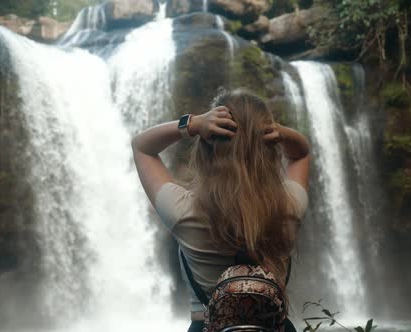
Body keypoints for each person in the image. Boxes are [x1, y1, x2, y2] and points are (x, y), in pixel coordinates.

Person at [131, 89, 310, 332]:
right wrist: (277, 129)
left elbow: (142, 146)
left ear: (206, 147)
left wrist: (193, 124)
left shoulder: (182, 209)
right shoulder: (290, 204)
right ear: (270, 148)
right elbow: (302, 153)